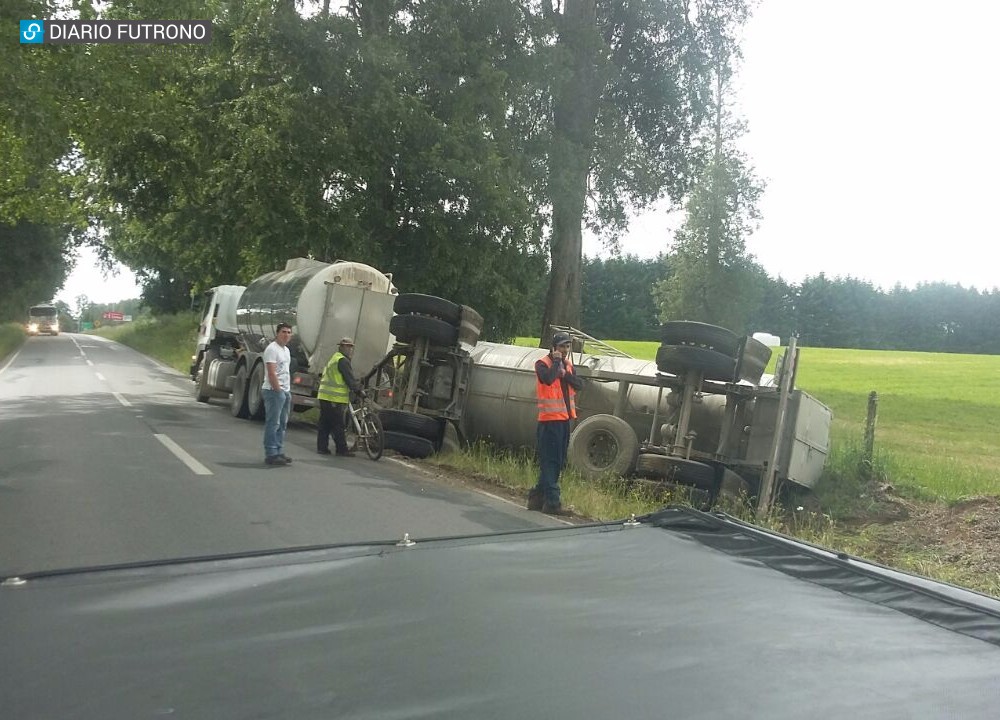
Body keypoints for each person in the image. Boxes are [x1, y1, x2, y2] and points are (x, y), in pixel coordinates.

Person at [528, 331, 583, 515]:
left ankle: (537, 497)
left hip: (564, 420)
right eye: (562, 346)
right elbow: (548, 379)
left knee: (557, 461)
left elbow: (579, 384)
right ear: (554, 347)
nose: (565, 350)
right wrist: (557, 363)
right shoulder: (542, 364)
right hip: (549, 421)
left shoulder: (568, 366)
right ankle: (552, 502)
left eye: (567, 346)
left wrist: (564, 374)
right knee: (550, 461)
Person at [317, 337, 362, 457]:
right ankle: (341, 449)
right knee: (338, 424)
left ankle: (322, 447)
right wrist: (358, 391)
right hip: (333, 398)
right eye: (347, 346)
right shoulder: (342, 361)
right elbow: (349, 379)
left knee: (325, 423)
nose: (349, 349)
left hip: (325, 395)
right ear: (341, 347)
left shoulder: (335, 358)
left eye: (351, 346)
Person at [263, 323, 294, 466]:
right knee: (273, 423)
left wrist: (286, 391)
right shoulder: (272, 349)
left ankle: (279, 451)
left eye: (288, 332)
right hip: (273, 391)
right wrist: (278, 391)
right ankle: (271, 453)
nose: (286, 335)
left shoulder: (286, 350)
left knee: (282, 423)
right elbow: (271, 372)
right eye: (283, 332)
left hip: (285, 390)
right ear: (277, 333)